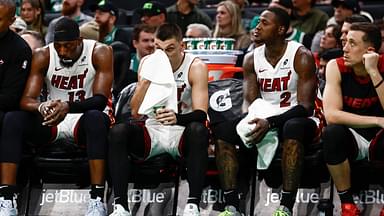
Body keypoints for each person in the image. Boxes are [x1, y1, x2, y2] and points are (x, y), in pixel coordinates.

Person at [0, 17, 113, 216]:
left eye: (68, 46)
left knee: (97, 118)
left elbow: (100, 100)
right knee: (13, 118)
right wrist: (42, 106)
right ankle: (7, 198)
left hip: (83, 118)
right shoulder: (43, 55)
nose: (62, 51)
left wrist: (68, 106)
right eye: (59, 46)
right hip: (53, 119)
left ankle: (96, 199)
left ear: (79, 41)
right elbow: (26, 100)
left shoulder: (100, 51)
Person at [213, 7, 320, 216]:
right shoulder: (251, 58)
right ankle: (232, 206)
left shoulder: (301, 55)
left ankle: (286, 207)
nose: (257, 27)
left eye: (264, 23)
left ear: (280, 30)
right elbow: (251, 102)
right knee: (223, 131)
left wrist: (271, 123)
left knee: (293, 127)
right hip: (264, 116)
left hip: (297, 117)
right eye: (257, 22)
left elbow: (306, 107)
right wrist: (254, 121)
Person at [108, 23, 209, 216]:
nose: (163, 55)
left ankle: (192, 205)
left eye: (169, 49)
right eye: (158, 49)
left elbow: (201, 113)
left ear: (182, 46)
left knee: (199, 129)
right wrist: (145, 82)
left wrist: (177, 117)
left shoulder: (196, 66)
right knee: (118, 131)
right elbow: (136, 112)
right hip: (153, 130)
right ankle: (121, 206)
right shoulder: (148, 63)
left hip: (181, 130)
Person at [322, 22, 384, 216]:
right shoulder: (335, 66)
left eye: (352, 43)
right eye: (345, 42)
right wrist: (377, 120)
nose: (345, 49)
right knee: (331, 133)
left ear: (369, 50)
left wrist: (374, 72)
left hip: (381, 139)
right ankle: (348, 205)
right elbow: (331, 115)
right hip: (354, 136)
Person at [0, 1, 32, 212]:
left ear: (12, 21)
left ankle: (6, 195)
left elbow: (10, 97)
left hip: (6, 110)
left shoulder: (19, 49)